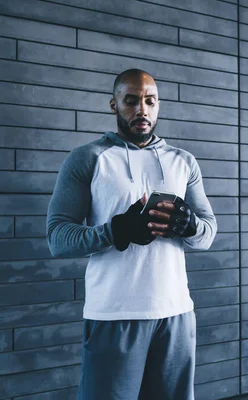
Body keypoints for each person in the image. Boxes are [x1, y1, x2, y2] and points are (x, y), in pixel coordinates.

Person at [46, 68, 217, 400]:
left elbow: (208, 232)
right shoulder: (87, 158)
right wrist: (116, 230)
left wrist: (190, 225)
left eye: (150, 101)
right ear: (114, 105)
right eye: (131, 101)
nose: (142, 110)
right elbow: (57, 237)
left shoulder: (183, 161)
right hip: (115, 314)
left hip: (176, 314)